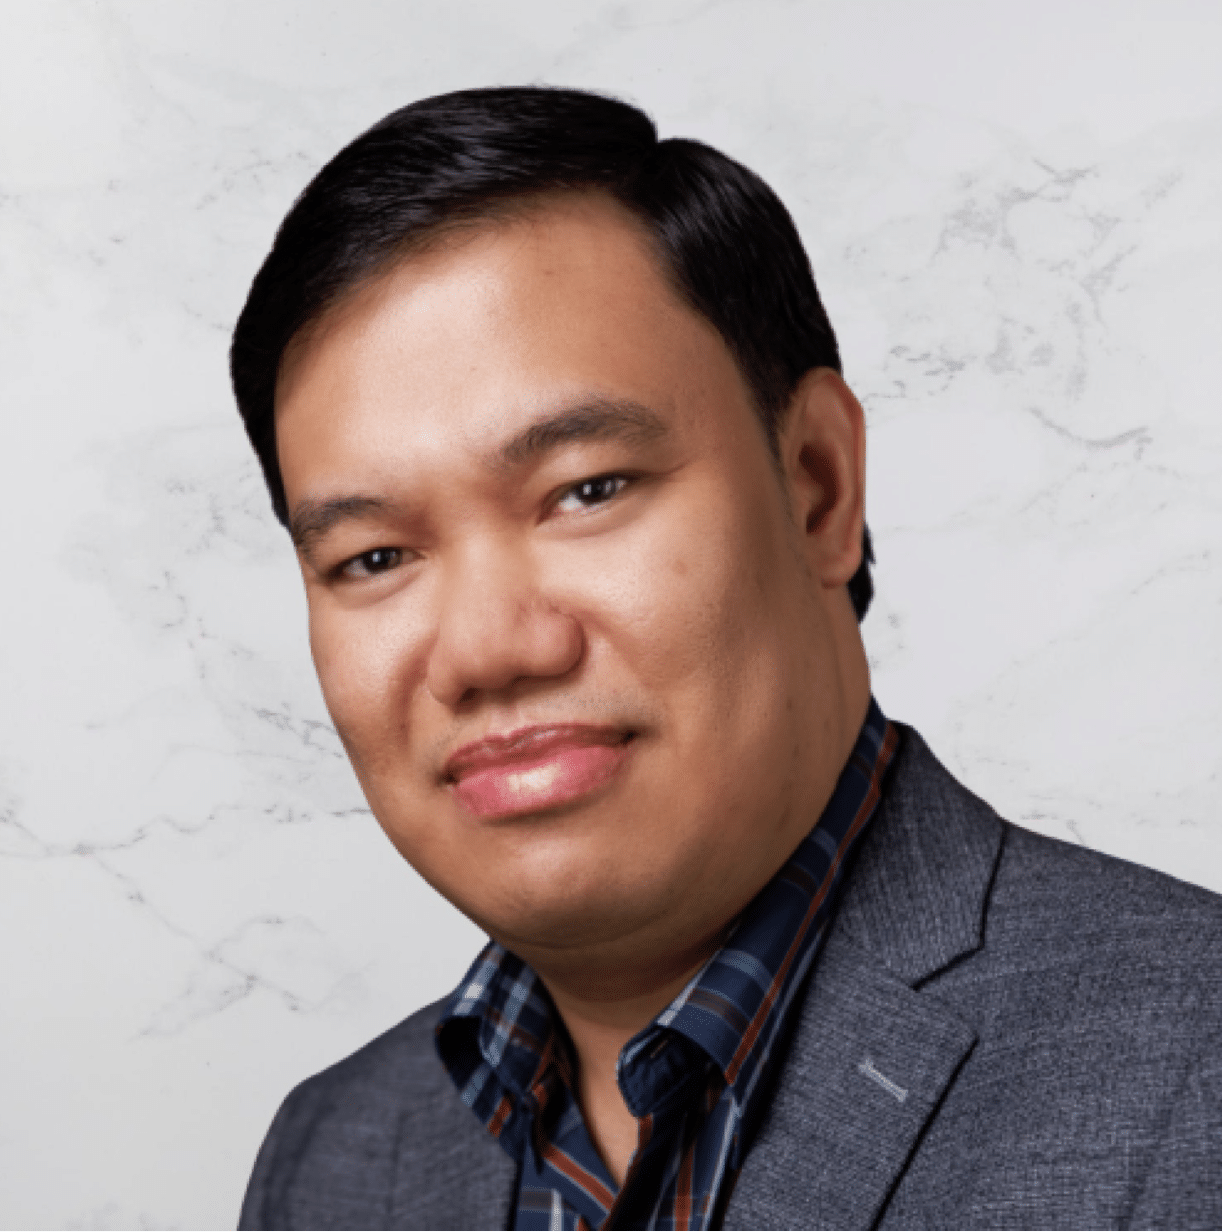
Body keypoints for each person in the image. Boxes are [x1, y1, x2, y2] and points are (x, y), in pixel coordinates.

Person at [229, 87, 1222, 1231]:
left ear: (815, 485)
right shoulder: (336, 1157)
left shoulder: (1191, 1070)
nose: (488, 649)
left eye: (586, 490)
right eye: (374, 555)